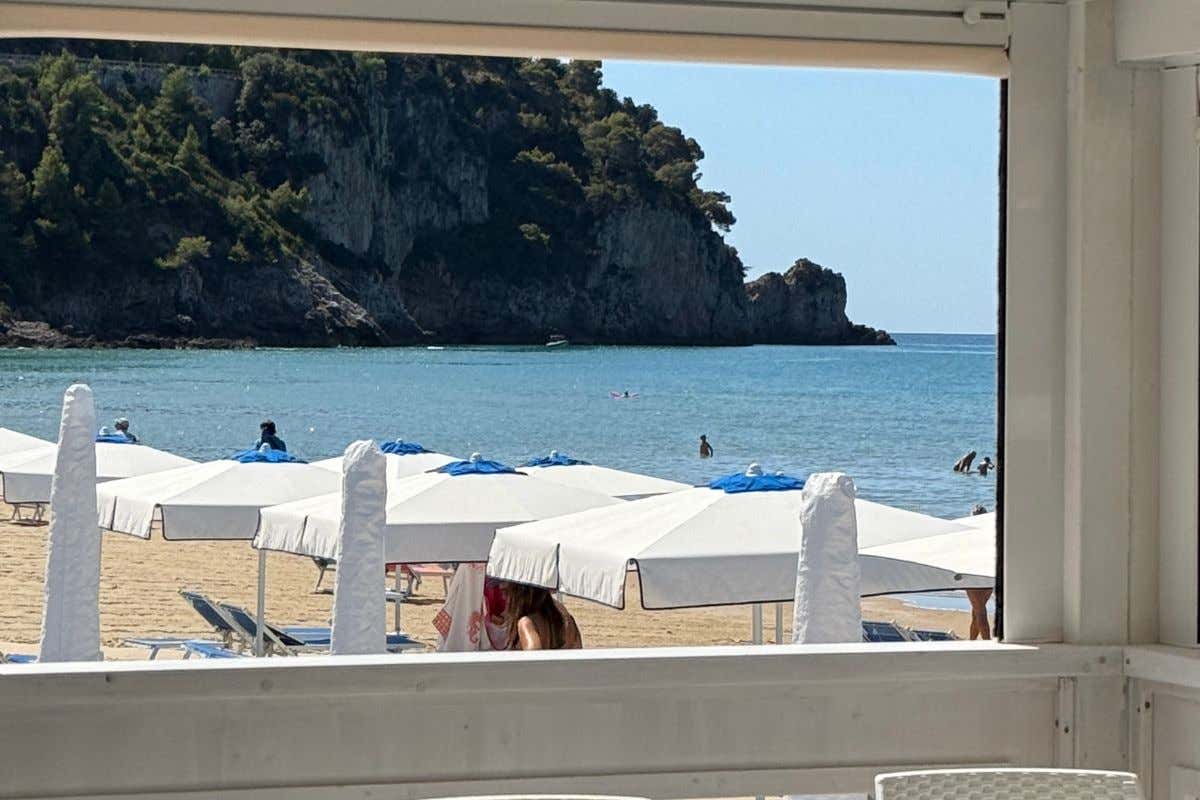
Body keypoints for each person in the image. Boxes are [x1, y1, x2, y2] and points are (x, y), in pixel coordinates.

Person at [502, 581, 582, 650]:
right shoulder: (562, 614)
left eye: (506, 592)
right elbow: (578, 648)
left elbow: (535, 664)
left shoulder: (526, 623)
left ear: (518, 593)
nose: (503, 597)